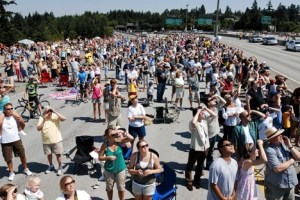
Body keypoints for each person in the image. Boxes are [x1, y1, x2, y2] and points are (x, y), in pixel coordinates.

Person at [264, 127, 300, 200]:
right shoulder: (269, 149)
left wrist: (290, 146)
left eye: (280, 134)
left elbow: (299, 157)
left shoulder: (285, 144)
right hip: (277, 186)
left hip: (290, 183)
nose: (281, 135)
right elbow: (278, 168)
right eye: (278, 135)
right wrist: (292, 160)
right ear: (272, 139)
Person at [0, 103, 32, 181]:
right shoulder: (2, 117)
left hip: (16, 139)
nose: (10, 110)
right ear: (4, 110)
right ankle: (11, 172)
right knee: (8, 158)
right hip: (5, 141)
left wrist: (18, 117)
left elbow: (23, 124)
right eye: (8, 109)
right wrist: (2, 116)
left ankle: (25, 168)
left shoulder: (15, 117)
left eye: (11, 108)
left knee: (22, 155)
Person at [98, 128, 133, 200]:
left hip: (120, 169)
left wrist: (120, 131)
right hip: (109, 170)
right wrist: (108, 157)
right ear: (107, 136)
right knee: (109, 188)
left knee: (121, 188)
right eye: (111, 133)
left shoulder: (119, 141)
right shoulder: (104, 145)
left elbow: (131, 138)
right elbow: (100, 158)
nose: (114, 134)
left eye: (114, 133)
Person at [185, 108, 211, 191]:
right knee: (190, 165)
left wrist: (205, 109)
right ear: (197, 114)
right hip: (196, 148)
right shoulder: (193, 123)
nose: (204, 114)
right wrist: (198, 111)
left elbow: (214, 115)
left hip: (205, 147)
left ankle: (197, 180)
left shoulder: (204, 122)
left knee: (200, 165)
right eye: (202, 113)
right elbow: (193, 122)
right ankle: (189, 181)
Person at [37, 106, 66, 176]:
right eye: (47, 111)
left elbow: (64, 118)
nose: (49, 113)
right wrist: (44, 119)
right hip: (46, 141)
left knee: (58, 154)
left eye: (50, 111)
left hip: (56, 139)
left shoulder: (55, 116)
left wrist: (54, 111)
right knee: (48, 154)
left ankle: (60, 167)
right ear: (45, 112)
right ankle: (51, 165)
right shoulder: (42, 118)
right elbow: (38, 128)